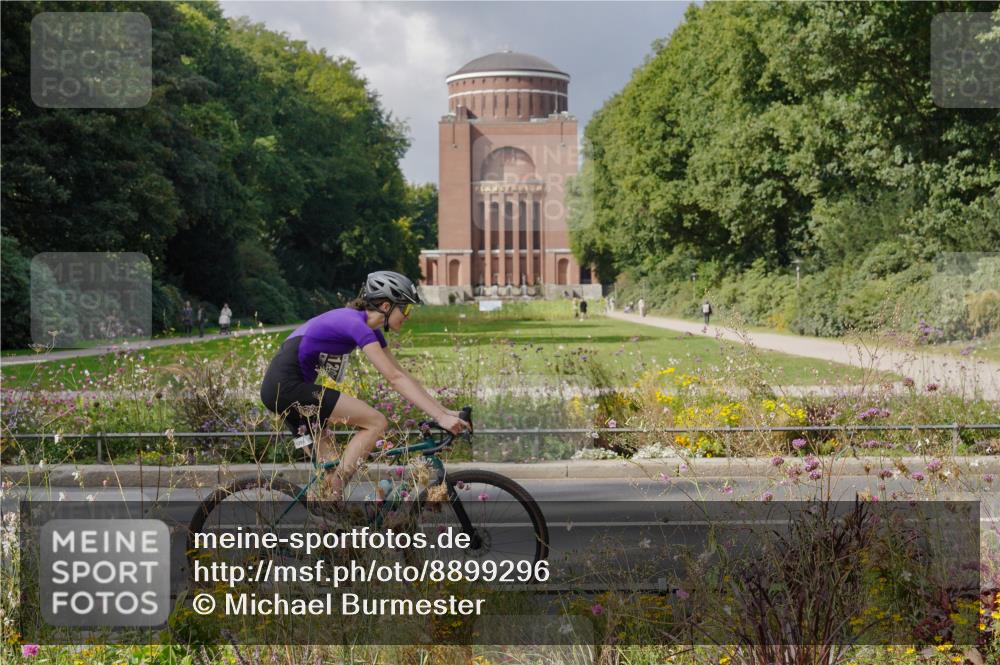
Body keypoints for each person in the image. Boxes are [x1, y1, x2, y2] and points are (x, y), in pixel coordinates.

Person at [259, 270, 469, 511]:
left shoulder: (369, 329)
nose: (408, 316)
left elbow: (403, 375)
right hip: (286, 388)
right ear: (387, 305)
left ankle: (328, 532)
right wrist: (440, 418)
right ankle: (335, 491)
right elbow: (394, 378)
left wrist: (444, 412)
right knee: (376, 422)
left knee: (330, 482)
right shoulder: (355, 324)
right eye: (407, 309)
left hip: (285, 392)